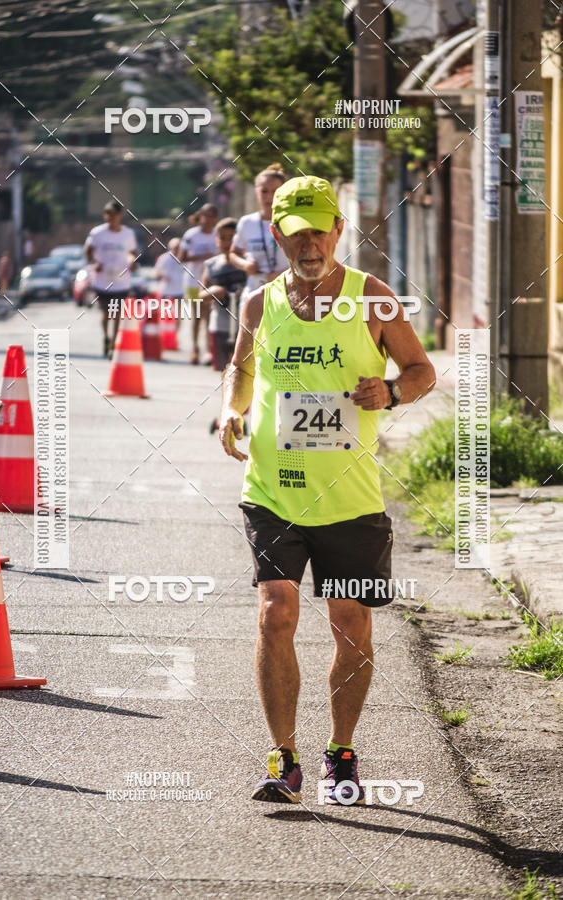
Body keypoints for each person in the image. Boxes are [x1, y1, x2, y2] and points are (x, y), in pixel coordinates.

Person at [219, 175, 436, 805]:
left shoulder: (373, 298)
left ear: (339, 229)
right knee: (275, 612)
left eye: (319, 229)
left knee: (350, 623)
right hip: (273, 488)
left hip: (350, 499)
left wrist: (392, 392)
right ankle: (282, 758)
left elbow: (421, 370)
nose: (308, 243)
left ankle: (341, 750)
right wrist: (230, 411)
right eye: (295, 233)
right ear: (279, 236)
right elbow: (241, 366)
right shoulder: (261, 303)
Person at [199, 218, 247, 432]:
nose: (227, 243)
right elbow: (197, 295)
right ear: (216, 240)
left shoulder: (247, 264)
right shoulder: (211, 265)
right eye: (223, 238)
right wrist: (213, 292)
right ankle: (226, 414)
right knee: (225, 372)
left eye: (231, 238)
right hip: (219, 325)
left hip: (243, 327)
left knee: (244, 372)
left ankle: (241, 415)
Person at [84, 200, 139, 357]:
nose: (111, 218)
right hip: (102, 280)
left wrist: (132, 261)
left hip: (121, 281)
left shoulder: (128, 234)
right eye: (108, 214)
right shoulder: (97, 233)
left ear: (120, 216)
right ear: (105, 215)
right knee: (106, 313)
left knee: (116, 313)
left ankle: (114, 343)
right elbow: (88, 251)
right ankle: (106, 337)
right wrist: (95, 263)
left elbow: (132, 252)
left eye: (114, 215)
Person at [230, 164, 289, 302]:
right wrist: (245, 265)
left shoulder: (291, 222)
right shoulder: (246, 222)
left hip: (285, 293)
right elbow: (233, 254)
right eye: (264, 191)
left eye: (275, 191)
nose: (269, 196)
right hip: (254, 293)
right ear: (257, 192)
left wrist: (282, 274)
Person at [177, 204, 218, 364]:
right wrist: (204, 256)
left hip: (212, 281)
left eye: (211, 216)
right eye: (205, 216)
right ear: (200, 217)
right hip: (193, 281)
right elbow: (181, 258)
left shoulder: (217, 234)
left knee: (208, 316)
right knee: (198, 316)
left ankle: (209, 350)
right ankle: (195, 348)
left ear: (215, 218)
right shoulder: (191, 235)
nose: (208, 219)